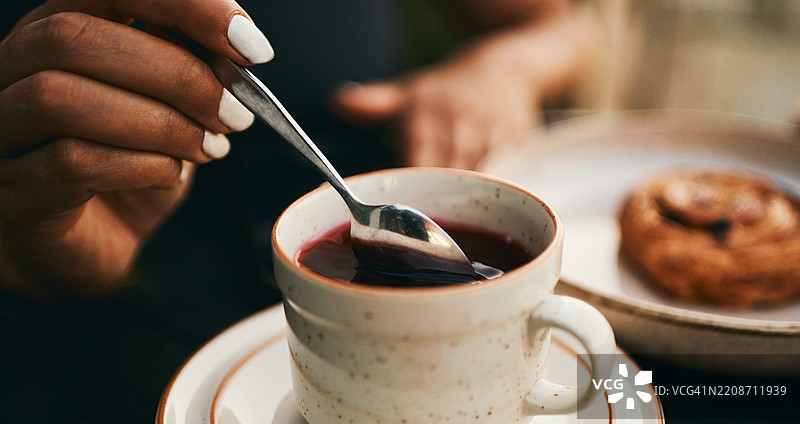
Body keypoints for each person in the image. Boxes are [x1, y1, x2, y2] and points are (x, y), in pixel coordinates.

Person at [0, 0, 594, 312]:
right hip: (75, 325)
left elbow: (557, 23)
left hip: (379, 178)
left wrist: (502, 69)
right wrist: (18, 257)